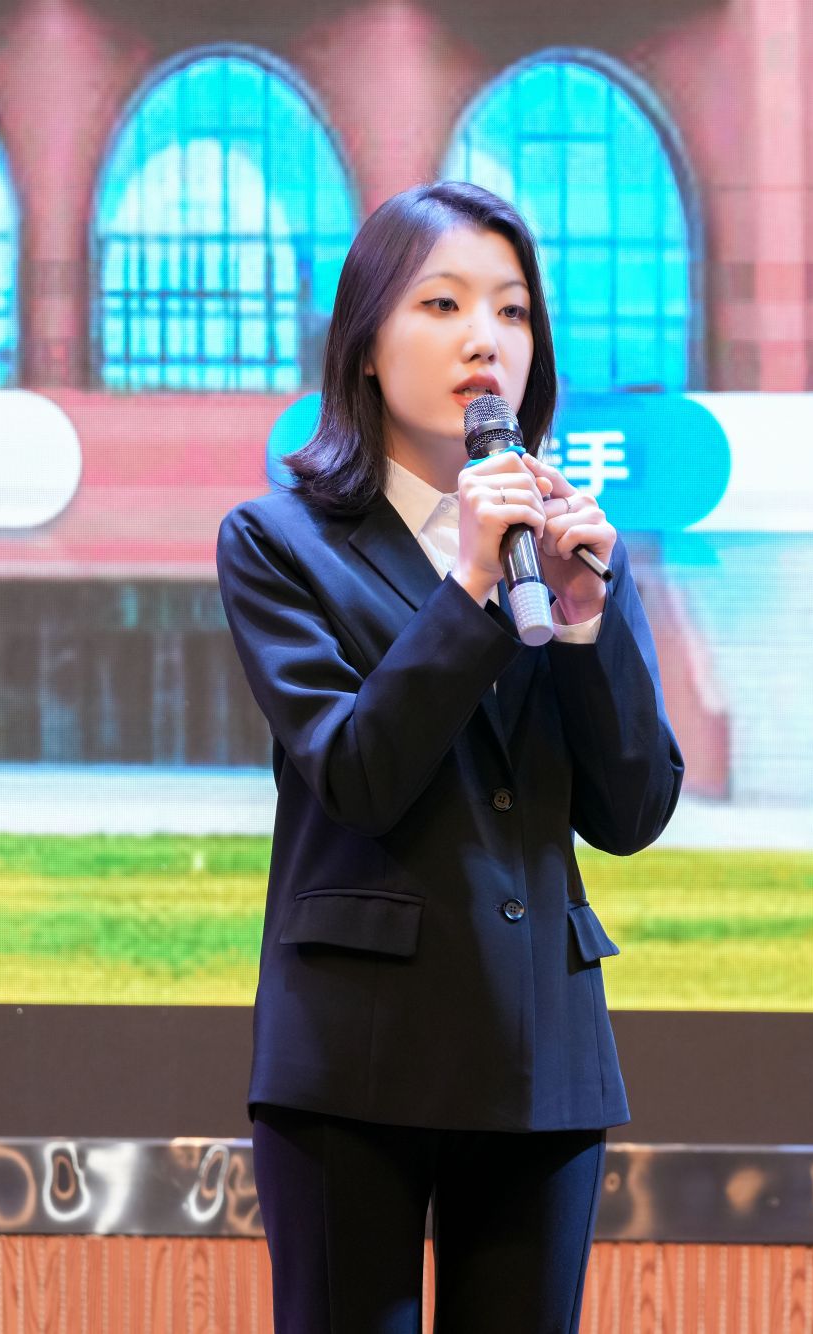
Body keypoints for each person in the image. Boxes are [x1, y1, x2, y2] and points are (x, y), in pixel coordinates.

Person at [215, 180, 686, 1332]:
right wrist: (473, 582)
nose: (486, 339)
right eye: (442, 304)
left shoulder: (568, 545)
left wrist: (584, 616)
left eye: (512, 310)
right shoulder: (278, 541)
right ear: (365, 344)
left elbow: (631, 809)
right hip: (354, 1057)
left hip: (542, 1053)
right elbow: (357, 772)